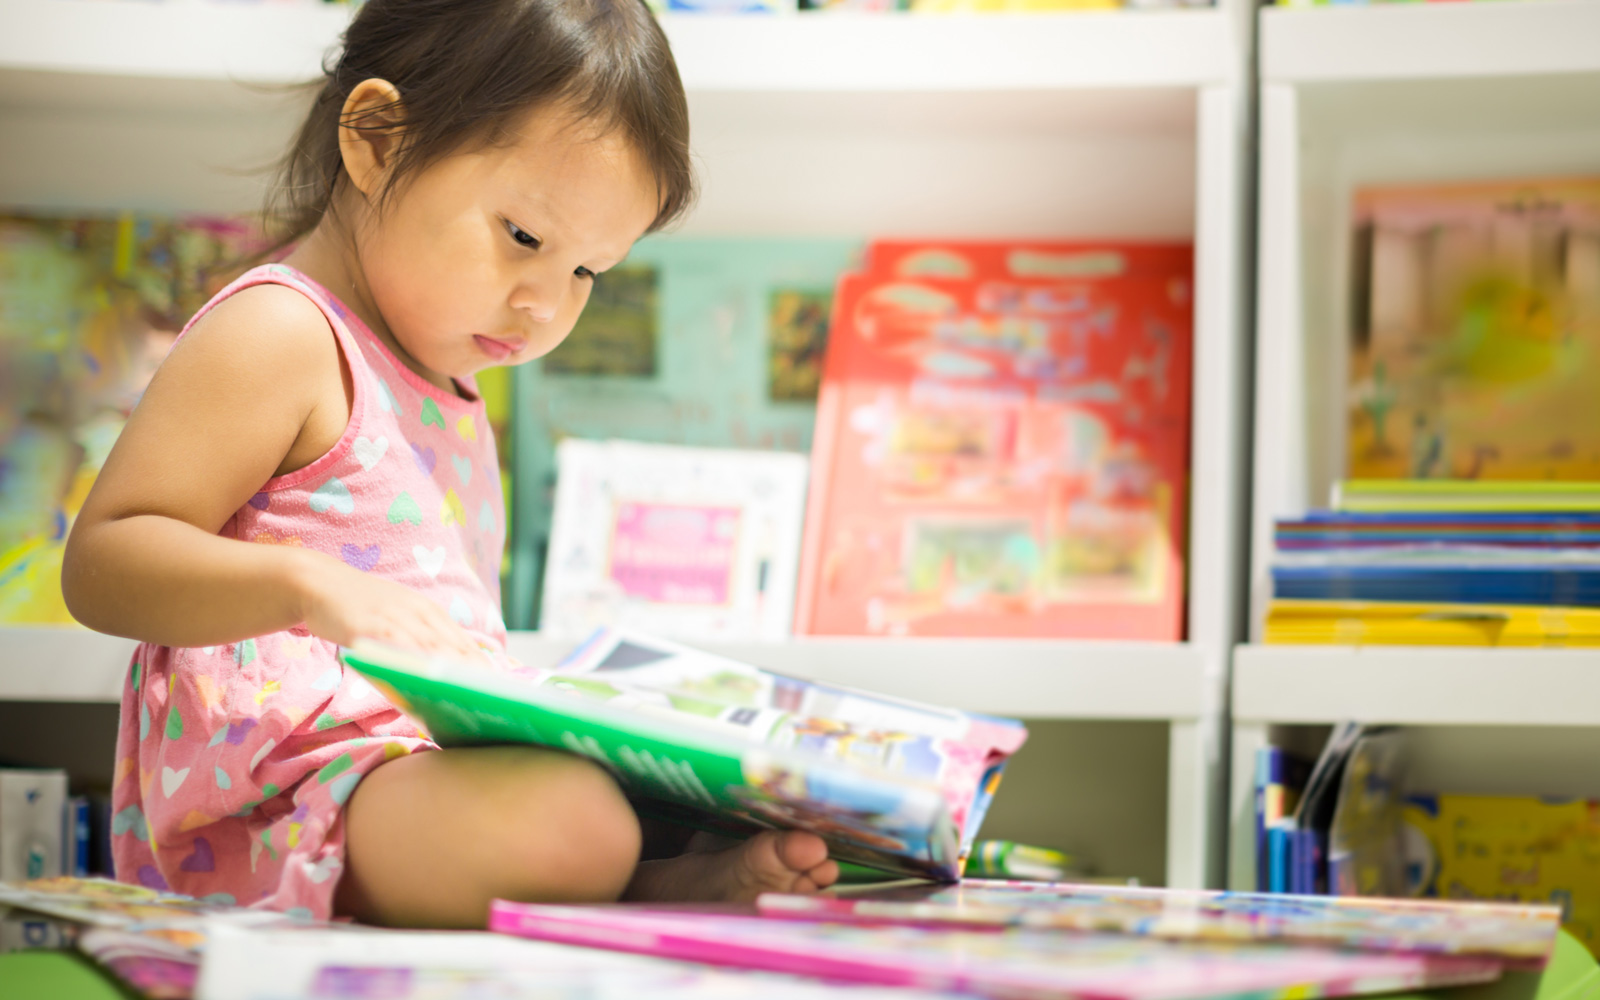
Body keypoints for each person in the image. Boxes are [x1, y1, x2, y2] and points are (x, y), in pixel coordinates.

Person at [61, 0, 837, 929]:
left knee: (656, 797)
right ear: (378, 140)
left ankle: (648, 872)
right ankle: (633, 884)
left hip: (410, 785)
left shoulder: (451, 386)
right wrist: (307, 587)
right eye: (523, 238)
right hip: (285, 809)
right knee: (576, 825)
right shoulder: (283, 332)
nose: (545, 304)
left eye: (590, 272)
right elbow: (104, 563)